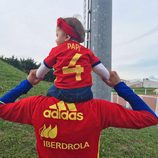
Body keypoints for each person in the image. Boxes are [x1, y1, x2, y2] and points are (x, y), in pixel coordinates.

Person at [0, 70, 157, 158]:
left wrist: (26, 84)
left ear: (57, 80)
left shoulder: (36, 105)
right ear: (88, 82)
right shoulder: (99, 110)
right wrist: (119, 86)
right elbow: (150, 117)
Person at [36, 17, 110, 103]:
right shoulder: (87, 51)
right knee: (89, 98)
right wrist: (105, 76)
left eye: (57, 35)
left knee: (50, 93)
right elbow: (104, 72)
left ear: (67, 36)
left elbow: (40, 72)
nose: (55, 39)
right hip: (84, 93)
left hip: (63, 91)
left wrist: (38, 75)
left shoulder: (56, 50)